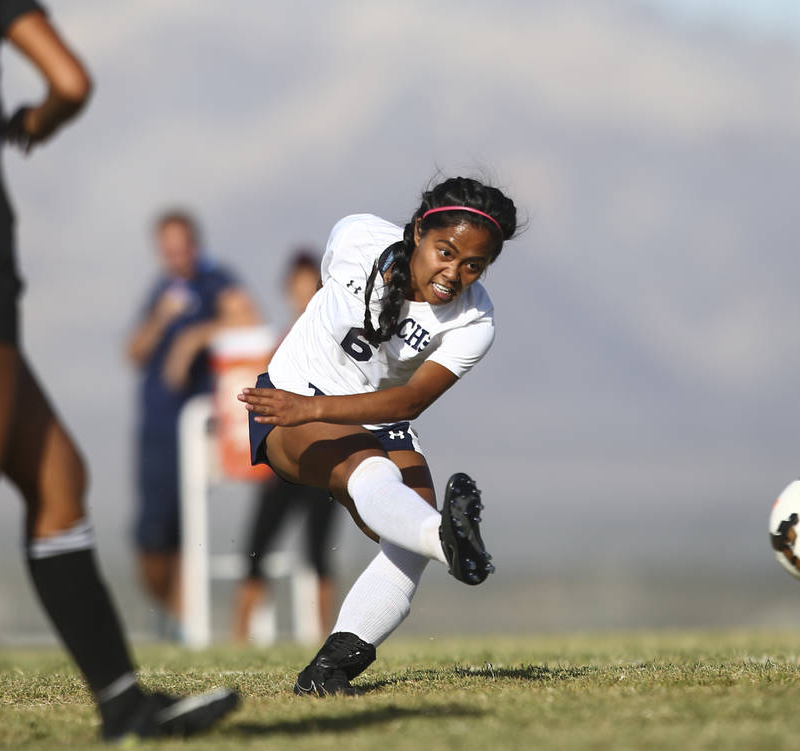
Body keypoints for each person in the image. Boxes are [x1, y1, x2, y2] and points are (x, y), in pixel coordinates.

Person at [0, 3, 236, 740]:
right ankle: (125, 705)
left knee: (58, 483)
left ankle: (124, 706)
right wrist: (32, 124)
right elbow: (70, 82)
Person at [238, 176, 517, 694]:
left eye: (473, 265)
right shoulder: (357, 237)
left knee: (407, 540)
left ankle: (328, 672)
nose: (454, 273)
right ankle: (449, 541)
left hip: (374, 416)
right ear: (417, 232)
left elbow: (409, 402)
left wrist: (320, 408)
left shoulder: (476, 319)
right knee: (380, 478)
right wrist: (305, 405)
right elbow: (321, 299)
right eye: (445, 252)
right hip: (290, 401)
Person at [125, 210, 257, 622]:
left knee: (187, 529)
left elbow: (249, 318)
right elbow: (133, 353)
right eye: (167, 249)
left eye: (181, 247)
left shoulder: (214, 280)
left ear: (194, 245)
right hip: (155, 426)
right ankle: (171, 616)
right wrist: (162, 319)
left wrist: (193, 337)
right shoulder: (163, 290)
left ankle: (188, 620)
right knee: (150, 535)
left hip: (194, 427)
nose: (175, 256)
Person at [233, 251, 340, 643]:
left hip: (323, 459)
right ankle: (239, 638)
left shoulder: (333, 336)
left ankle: (328, 637)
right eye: (296, 288)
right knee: (257, 550)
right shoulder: (282, 340)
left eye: (309, 287)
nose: (303, 296)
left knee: (318, 553)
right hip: (283, 462)